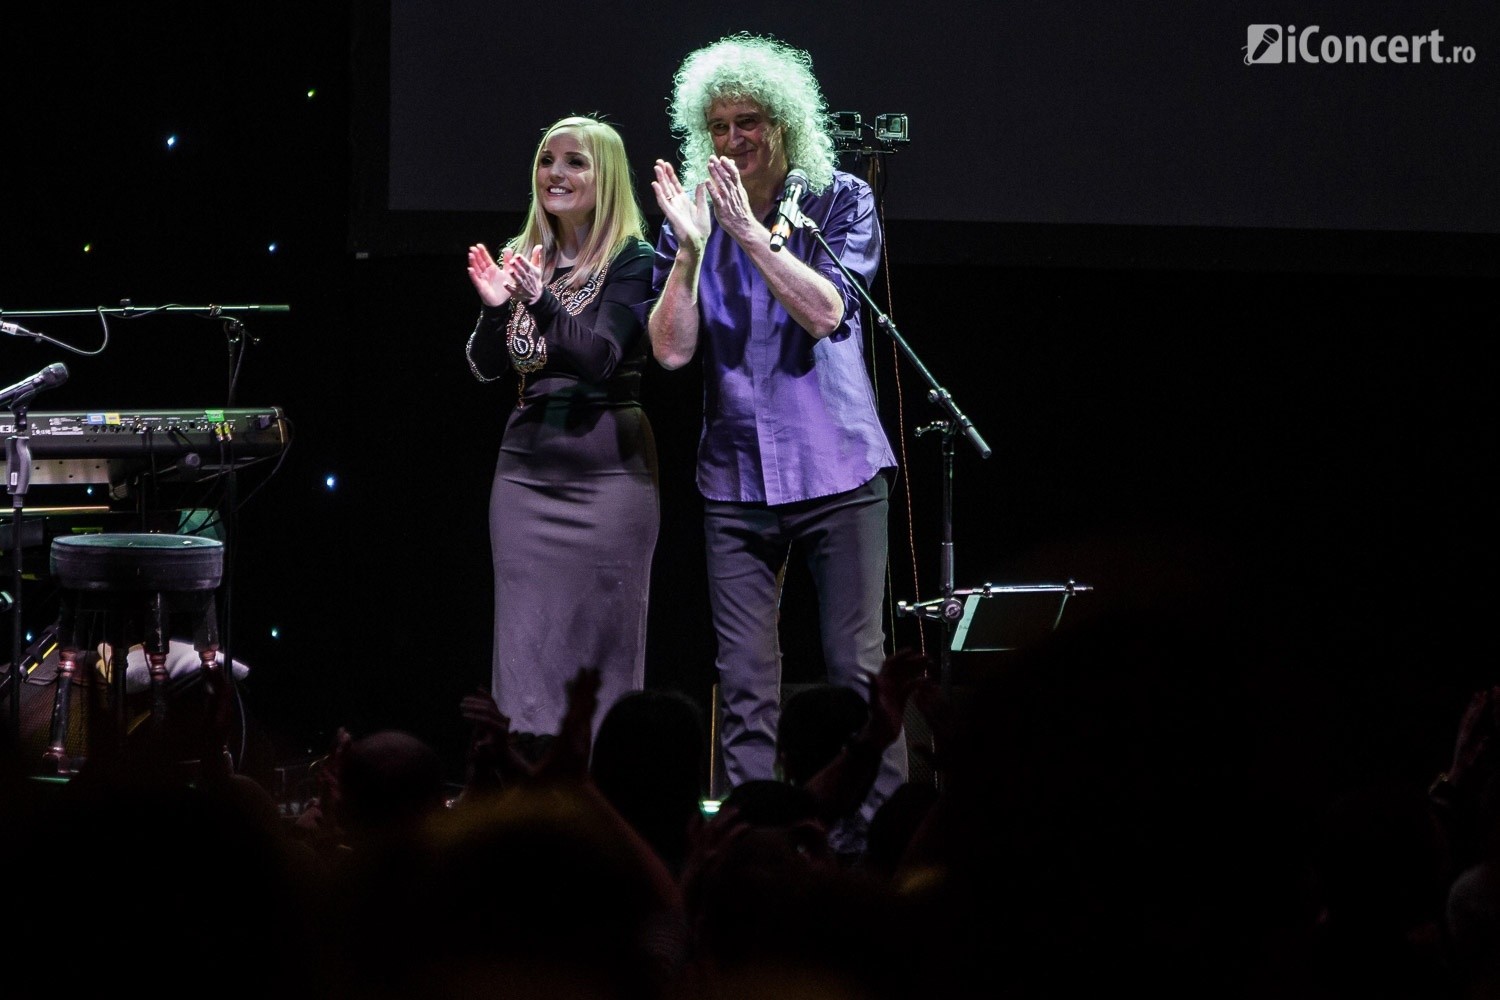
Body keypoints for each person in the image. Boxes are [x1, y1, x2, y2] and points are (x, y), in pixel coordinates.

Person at [648, 33, 903, 851]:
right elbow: (672, 350)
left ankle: (874, 842)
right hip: (735, 481)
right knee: (747, 683)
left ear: (784, 123)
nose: (732, 142)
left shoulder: (840, 200)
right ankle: (755, 847)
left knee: (857, 671)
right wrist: (691, 248)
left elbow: (827, 313)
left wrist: (752, 238)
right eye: (717, 126)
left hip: (837, 467)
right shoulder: (694, 215)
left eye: (748, 122)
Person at [465, 115, 659, 751]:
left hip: (609, 469)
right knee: (524, 646)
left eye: (575, 162)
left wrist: (542, 300)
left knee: (602, 646)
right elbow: (485, 366)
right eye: (548, 161)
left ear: (604, 178)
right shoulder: (525, 255)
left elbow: (602, 358)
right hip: (525, 471)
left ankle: (602, 793)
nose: (556, 174)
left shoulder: (634, 258)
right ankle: (521, 792)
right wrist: (499, 306)